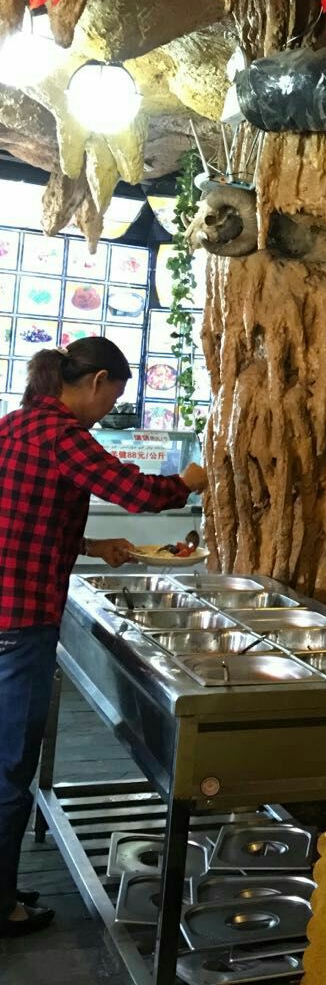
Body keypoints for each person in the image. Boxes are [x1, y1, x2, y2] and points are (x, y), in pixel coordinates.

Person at [0, 337, 208, 938]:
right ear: (95, 382)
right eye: (113, 397)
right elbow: (139, 493)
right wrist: (193, 477)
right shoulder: (62, 434)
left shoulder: (15, 425)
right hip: (19, 624)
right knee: (10, 767)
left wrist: (92, 545)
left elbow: (25, 518)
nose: (107, 409)